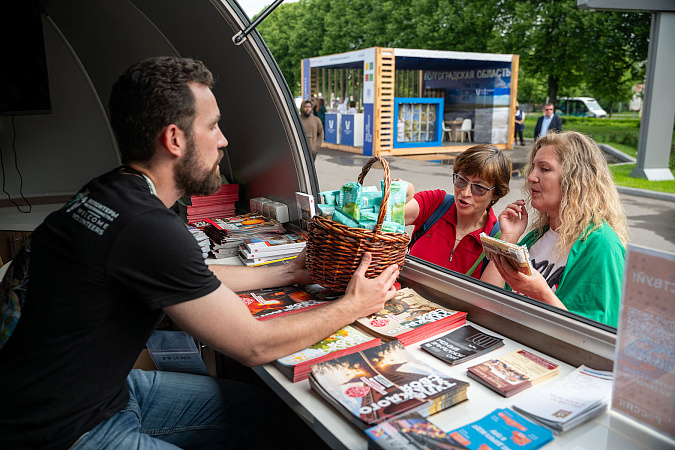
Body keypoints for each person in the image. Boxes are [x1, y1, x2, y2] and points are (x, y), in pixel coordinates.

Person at [0, 56, 399, 449]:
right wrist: (353, 306)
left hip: (100, 392)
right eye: (212, 126)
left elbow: (191, 279)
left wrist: (289, 274)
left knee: (265, 415)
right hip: (60, 430)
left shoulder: (112, 192)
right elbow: (254, 346)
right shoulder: (147, 227)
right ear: (175, 139)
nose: (224, 139)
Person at [481, 131, 627, 327]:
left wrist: (541, 294)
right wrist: (508, 238)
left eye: (545, 169)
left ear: (575, 180)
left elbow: (593, 339)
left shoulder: (602, 245)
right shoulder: (535, 237)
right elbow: (486, 300)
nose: (531, 177)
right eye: (533, 167)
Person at [402, 144, 511, 278]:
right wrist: (401, 194)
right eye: (461, 180)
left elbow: (491, 295)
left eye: (479, 187)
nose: (465, 193)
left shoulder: (496, 238)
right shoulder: (435, 204)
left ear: (496, 194)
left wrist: (507, 241)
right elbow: (386, 214)